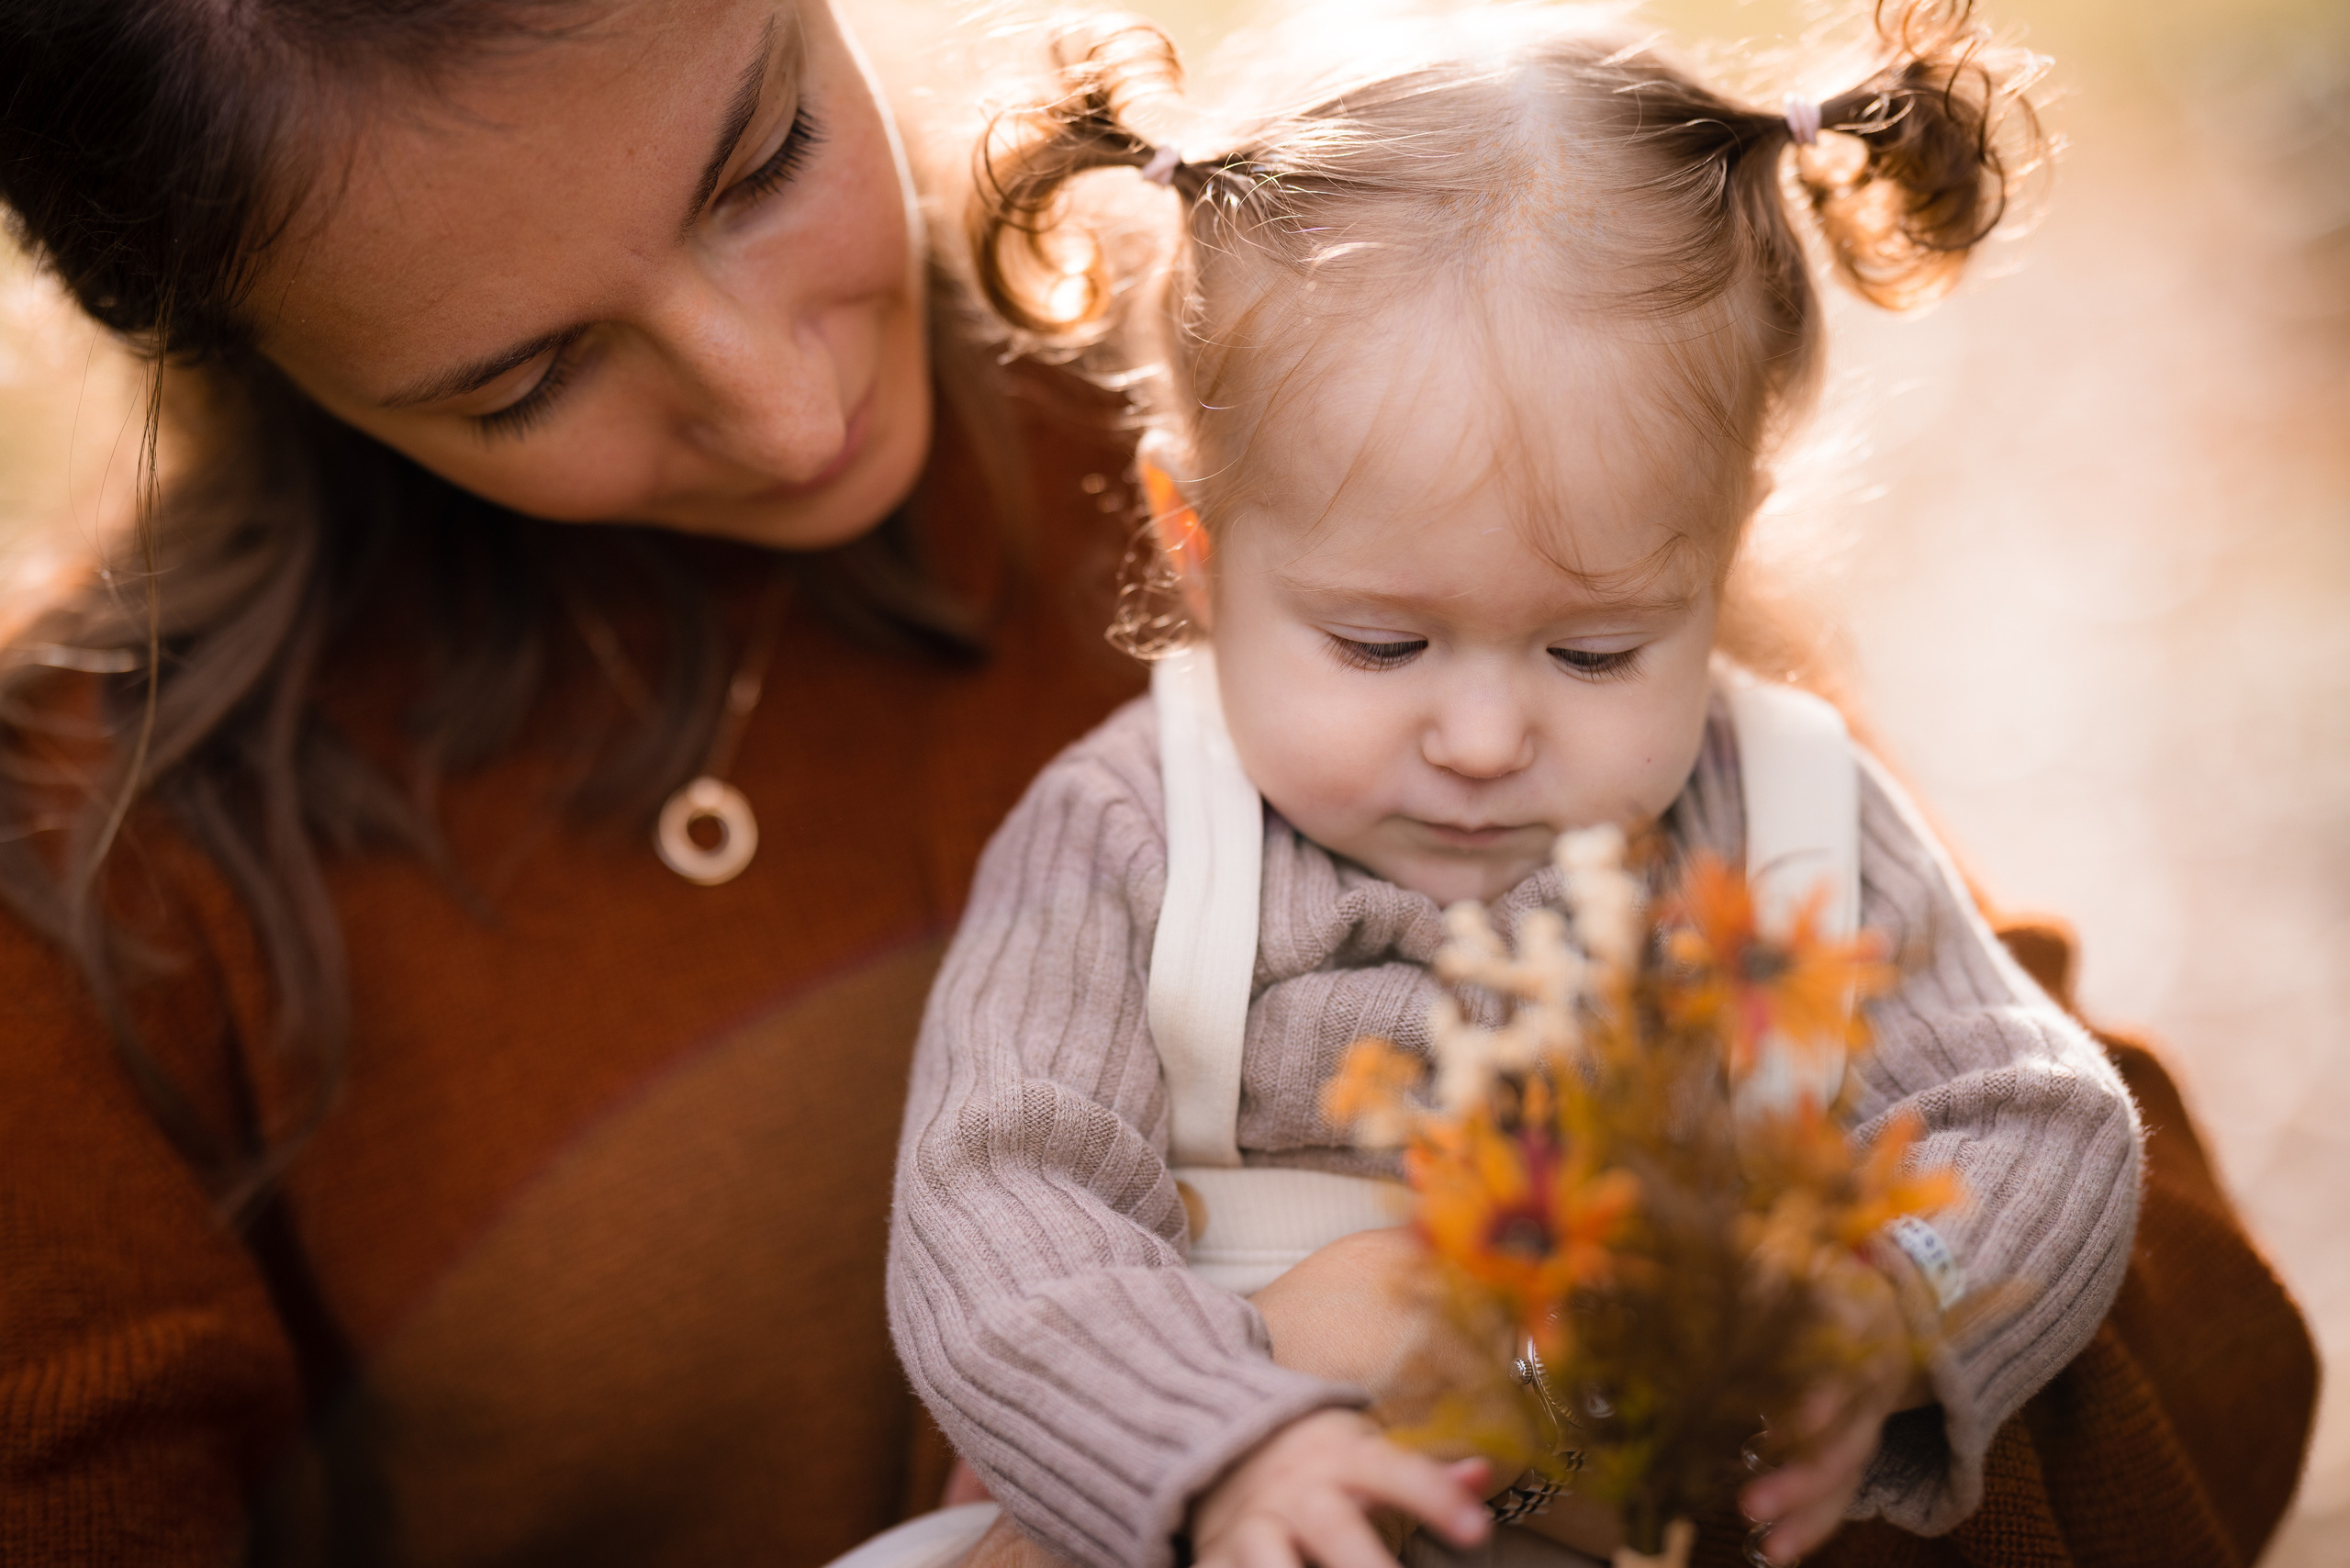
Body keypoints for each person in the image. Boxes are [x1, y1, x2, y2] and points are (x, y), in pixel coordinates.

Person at [886, 7, 2152, 1568]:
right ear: (1196, 547)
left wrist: (1881, 1311)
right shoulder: (1133, 836)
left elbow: (2037, 1117)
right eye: (1380, 641)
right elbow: (999, 1206)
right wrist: (1213, 1454)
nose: (1483, 738)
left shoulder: (1790, 823)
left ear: (1719, 557)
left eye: (1598, 650)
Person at [0, 1, 1155, 1562]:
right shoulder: (83, 884)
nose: (789, 414)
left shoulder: (1281, 409)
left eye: (765, 164)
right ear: (251, 348)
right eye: (526, 382)